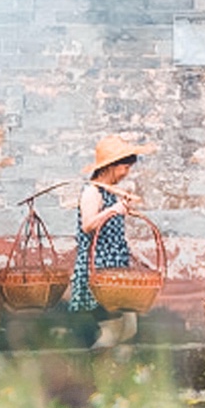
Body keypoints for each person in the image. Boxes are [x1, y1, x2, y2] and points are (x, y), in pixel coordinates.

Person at [65, 135, 142, 348]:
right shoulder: (93, 192)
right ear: (109, 166)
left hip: (115, 269)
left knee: (129, 328)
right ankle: (97, 371)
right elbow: (88, 225)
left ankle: (112, 372)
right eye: (123, 167)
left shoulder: (111, 193)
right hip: (98, 269)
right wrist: (112, 210)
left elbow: (113, 230)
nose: (126, 173)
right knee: (111, 330)